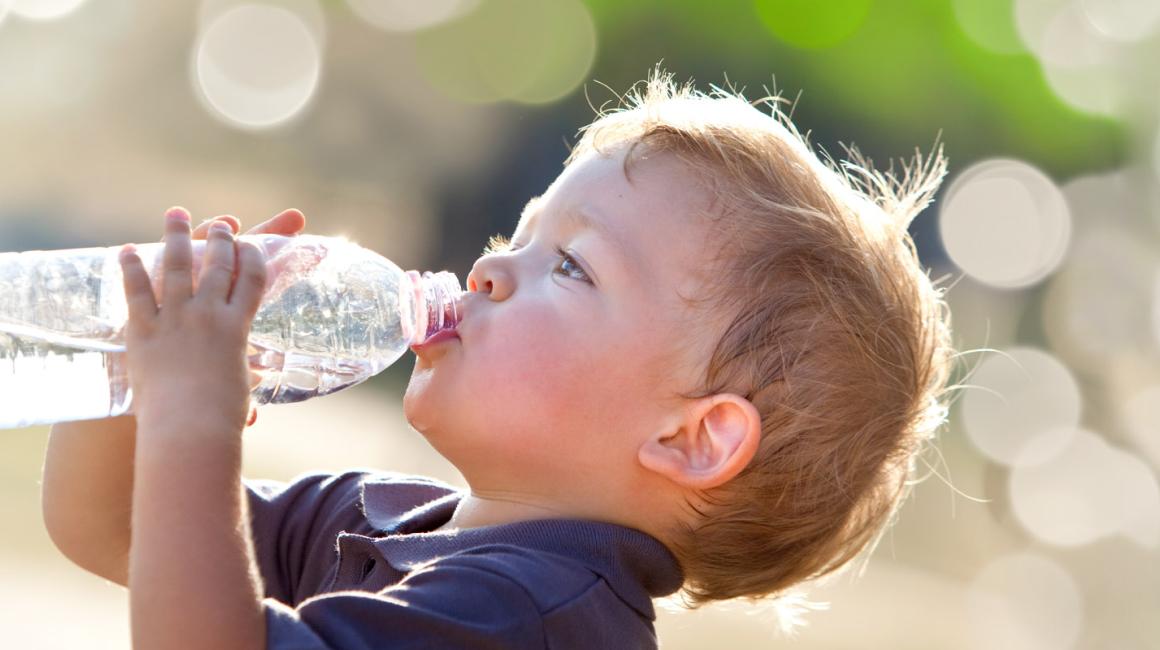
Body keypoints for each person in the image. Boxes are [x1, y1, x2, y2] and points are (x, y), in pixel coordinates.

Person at [40, 69, 954, 649]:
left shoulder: (534, 617)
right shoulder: (387, 519)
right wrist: (135, 355)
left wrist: (194, 421)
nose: (486, 269)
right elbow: (110, 524)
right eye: (515, 235)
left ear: (692, 437)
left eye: (568, 264)